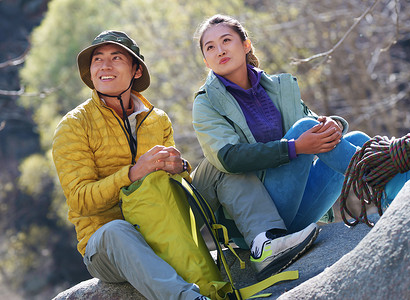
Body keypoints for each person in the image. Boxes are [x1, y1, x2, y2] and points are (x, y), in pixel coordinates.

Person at [190, 14, 378, 280]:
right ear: (206, 60)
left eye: (226, 40)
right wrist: (294, 148)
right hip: (257, 220)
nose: (219, 50)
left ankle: (386, 179)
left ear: (246, 45)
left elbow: (314, 125)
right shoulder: (206, 103)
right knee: (302, 132)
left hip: (297, 208)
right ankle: (390, 179)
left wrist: (335, 124)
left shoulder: (278, 86)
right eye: (210, 47)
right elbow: (229, 158)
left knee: (356, 138)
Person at [52, 30, 209, 300]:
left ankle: (262, 244)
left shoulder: (158, 119)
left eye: (116, 58)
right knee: (116, 230)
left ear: (136, 70)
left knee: (218, 168)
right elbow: (80, 201)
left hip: (162, 228)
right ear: (90, 72)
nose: (105, 66)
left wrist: (180, 169)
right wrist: (134, 173)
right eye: (97, 59)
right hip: (106, 247)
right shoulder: (73, 125)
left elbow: (177, 189)